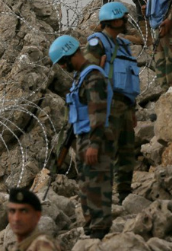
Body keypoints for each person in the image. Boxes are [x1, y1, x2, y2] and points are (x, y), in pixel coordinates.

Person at [49, 35, 114, 239]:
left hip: (95, 138)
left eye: (62, 62)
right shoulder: (80, 78)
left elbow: (98, 113)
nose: (62, 67)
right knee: (86, 187)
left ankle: (100, 232)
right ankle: (91, 229)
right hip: (83, 138)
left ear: (70, 54)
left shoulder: (93, 77)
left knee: (97, 187)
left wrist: (94, 144)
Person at [84, 2, 139, 204]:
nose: (125, 22)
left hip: (125, 105)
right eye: (123, 19)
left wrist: (132, 109)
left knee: (126, 152)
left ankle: (124, 193)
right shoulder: (97, 43)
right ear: (113, 21)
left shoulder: (123, 45)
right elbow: (87, 76)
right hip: (107, 104)